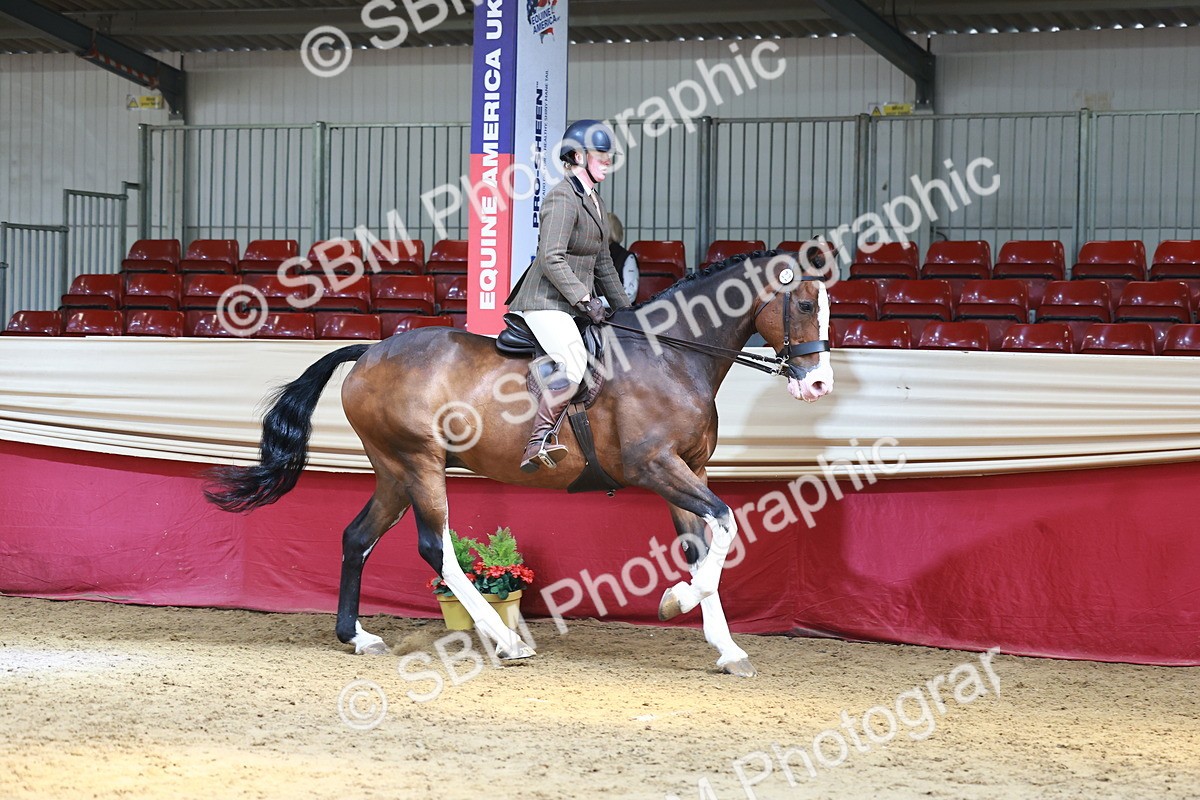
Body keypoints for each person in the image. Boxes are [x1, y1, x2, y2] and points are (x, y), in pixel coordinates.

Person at [506, 119, 632, 473]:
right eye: (601, 155)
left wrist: (628, 312)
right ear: (577, 156)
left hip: (572, 305)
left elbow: (604, 263)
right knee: (574, 363)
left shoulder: (595, 201)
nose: (607, 161)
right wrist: (583, 299)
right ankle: (537, 441)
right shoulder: (562, 197)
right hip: (546, 302)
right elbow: (550, 257)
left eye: (609, 156)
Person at [607, 212, 640, 305]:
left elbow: (629, 295)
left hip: (617, 314)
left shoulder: (627, 257)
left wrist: (598, 302)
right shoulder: (593, 255)